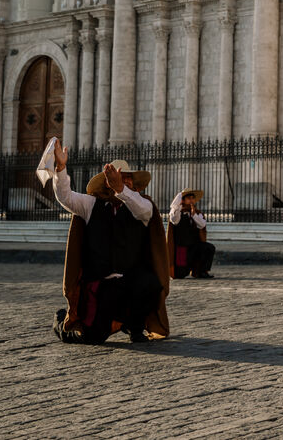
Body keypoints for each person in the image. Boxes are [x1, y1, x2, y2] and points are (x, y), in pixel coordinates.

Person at [49, 141, 169, 344]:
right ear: (106, 182)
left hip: (131, 277)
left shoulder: (142, 205)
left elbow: (142, 209)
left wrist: (121, 189)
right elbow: (65, 197)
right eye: (117, 178)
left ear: (134, 184)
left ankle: (135, 327)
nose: (123, 182)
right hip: (102, 283)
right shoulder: (90, 204)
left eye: (127, 179)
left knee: (150, 284)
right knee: (92, 337)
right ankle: (62, 322)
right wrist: (60, 170)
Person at [167, 188, 216, 279]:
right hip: (182, 247)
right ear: (183, 200)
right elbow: (174, 220)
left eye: (192, 198)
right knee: (180, 274)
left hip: (193, 246)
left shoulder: (197, 213)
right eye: (188, 198)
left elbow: (202, 225)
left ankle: (201, 271)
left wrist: (194, 215)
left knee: (209, 248)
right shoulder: (177, 212)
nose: (191, 200)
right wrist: (177, 206)